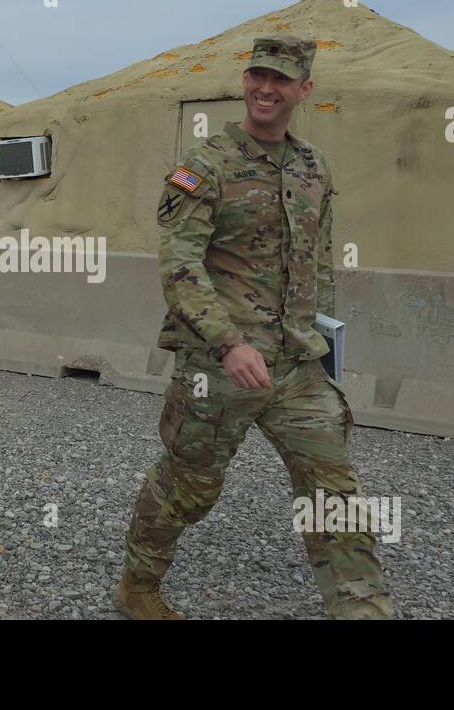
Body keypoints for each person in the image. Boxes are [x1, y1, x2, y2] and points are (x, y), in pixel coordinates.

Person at [117, 35, 395, 620]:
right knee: (188, 487)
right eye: (257, 76)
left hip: (297, 366)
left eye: (281, 80)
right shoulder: (206, 165)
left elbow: (319, 261)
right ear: (245, 81)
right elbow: (179, 266)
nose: (266, 89)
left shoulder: (312, 165)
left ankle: (363, 610)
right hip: (219, 370)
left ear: (305, 89)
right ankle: (138, 585)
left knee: (334, 492)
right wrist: (229, 343)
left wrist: (321, 337)